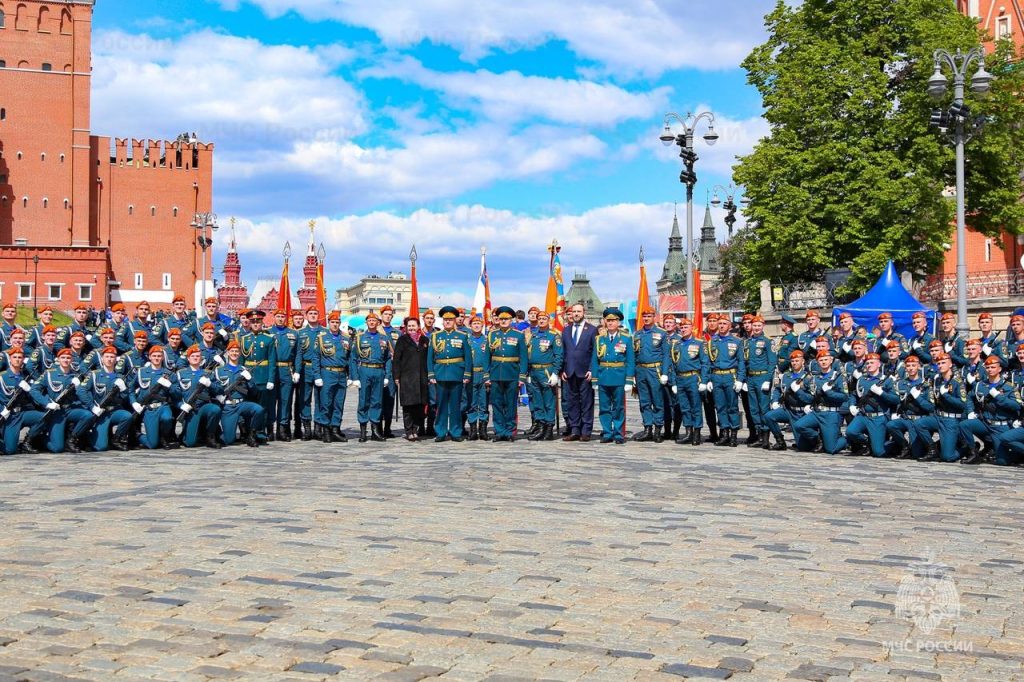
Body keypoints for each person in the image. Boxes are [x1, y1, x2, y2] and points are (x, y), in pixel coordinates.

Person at [959, 354, 1020, 465]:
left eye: (993, 367)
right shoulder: (980, 385)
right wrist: (971, 411)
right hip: (985, 423)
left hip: (1001, 427)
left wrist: (999, 397)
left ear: (999, 369)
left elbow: (1016, 405)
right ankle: (973, 453)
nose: (990, 369)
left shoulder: (1009, 387)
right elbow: (969, 397)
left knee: (1002, 461)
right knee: (965, 424)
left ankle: (995, 449)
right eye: (988, 367)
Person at [70, 345, 133, 452]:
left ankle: (116, 439)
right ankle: (86, 437)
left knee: (127, 416)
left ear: (115, 360)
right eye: (107, 357)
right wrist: (92, 406)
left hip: (113, 411)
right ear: (102, 359)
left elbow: (124, 397)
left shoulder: (120, 377)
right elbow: (81, 391)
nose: (109, 359)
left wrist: (123, 390)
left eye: (112, 357)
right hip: (99, 412)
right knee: (101, 447)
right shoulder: (94, 374)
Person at [427, 306, 472, 442]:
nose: (448, 322)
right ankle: (440, 431)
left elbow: (468, 357)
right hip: (440, 374)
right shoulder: (435, 336)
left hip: (456, 373)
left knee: (455, 405)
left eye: (450, 319)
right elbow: (430, 357)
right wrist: (431, 374)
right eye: (445, 319)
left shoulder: (462, 336)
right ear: (442, 321)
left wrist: (467, 374)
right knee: (440, 405)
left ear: (454, 321)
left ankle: (455, 431)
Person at [591, 307, 634, 444]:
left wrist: (629, 380)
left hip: (619, 376)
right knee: (604, 407)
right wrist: (595, 379)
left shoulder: (626, 339)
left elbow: (630, 360)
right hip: (604, 376)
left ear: (618, 322)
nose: (610, 323)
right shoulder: (599, 339)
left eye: (613, 320)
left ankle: (618, 433)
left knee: (618, 407)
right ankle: (607, 432)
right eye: (608, 320)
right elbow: (595, 360)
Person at [487, 306, 528, 442]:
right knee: (497, 404)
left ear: (511, 320)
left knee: (511, 404)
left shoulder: (518, 335)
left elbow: (523, 357)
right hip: (496, 374)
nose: (503, 321)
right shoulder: (492, 334)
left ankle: (510, 431)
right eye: (501, 319)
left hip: (512, 374)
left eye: (506, 319)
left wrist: (522, 376)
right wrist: (487, 375)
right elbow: (488, 356)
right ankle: (499, 431)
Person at [351, 310, 393, 443]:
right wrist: (355, 378)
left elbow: (387, 358)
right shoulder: (359, 338)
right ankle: (363, 430)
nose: (372, 323)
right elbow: (353, 358)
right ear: (367, 322)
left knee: (377, 401)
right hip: (364, 370)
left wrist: (387, 375)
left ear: (378, 323)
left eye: (374, 321)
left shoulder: (384, 338)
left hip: (378, 371)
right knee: (363, 401)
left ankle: (375, 429)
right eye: (369, 321)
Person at [917, 352, 967, 463]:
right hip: (938, 416)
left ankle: (965, 449)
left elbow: (962, 404)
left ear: (950, 364)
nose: (940, 365)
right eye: (938, 363)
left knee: (947, 457)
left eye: (943, 363)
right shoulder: (937, 380)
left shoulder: (957, 382)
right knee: (919, 423)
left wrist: (946, 395)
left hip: (951, 420)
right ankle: (932, 449)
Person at [846, 352, 898, 457]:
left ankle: (896, 444)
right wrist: (852, 404)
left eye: (872, 362)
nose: (869, 365)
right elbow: (854, 394)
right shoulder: (862, 380)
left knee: (879, 452)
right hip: (863, 415)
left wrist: (881, 393)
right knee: (850, 432)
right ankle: (868, 442)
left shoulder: (886, 380)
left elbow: (896, 399)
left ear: (879, 364)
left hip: (878, 417)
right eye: (867, 363)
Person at [214, 340, 265, 447]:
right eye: (232, 351)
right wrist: (217, 396)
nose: (234, 353)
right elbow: (213, 387)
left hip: (242, 404)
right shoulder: (219, 370)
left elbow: (254, 391)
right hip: (228, 406)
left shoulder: (244, 369)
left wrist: (249, 379)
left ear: (240, 353)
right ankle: (215, 433)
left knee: (259, 409)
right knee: (228, 440)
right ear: (227, 352)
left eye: (236, 351)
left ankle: (251, 435)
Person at [311, 311, 352, 443]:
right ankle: (326, 430)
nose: (335, 325)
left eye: (337, 322)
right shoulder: (321, 338)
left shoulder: (345, 338)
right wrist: (317, 375)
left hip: (341, 374)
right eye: (333, 322)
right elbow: (316, 357)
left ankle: (335, 429)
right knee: (326, 403)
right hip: (327, 373)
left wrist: (351, 375)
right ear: (329, 323)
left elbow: (350, 359)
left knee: (338, 403)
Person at [666, 317, 709, 445]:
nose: (684, 329)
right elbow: (673, 365)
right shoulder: (676, 344)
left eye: (686, 327)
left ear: (692, 328)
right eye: (682, 328)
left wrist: (704, 381)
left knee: (695, 406)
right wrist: (673, 382)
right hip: (680, 379)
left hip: (693, 378)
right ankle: (688, 432)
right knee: (684, 407)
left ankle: (696, 433)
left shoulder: (700, 343)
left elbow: (705, 364)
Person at [560, 303, 598, 442]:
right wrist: (562, 370)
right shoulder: (566, 330)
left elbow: (595, 352)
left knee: (587, 402)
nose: (576, 314)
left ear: (584, 313)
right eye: (574, 311)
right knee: (572, 402)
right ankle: (575, 429)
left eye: (579, 311)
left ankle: (586, 431)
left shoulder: (592, 330)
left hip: (585, 372)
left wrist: (592, 369)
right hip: (569, 371)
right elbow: (563, 352)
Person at [127, 346, 177, 450]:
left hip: (163, 406)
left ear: (163, 357)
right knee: (152, 444)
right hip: (148, 408)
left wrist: (170, 386)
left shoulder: (168, 373)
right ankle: (137, 434)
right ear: (149, 357)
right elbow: (130, 388)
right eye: (154, 356)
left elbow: (177, 392)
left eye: (159, 356)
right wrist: (134, 402)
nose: (157, 358)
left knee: (167, 418)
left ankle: (164, 438)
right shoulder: (141, 372)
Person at [885, 355, 934, 459]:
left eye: (913, 365)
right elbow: (897, 400)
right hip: (906, 419)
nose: (911, 368)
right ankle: (904, 446)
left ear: (919, 367)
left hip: (919, 420)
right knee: (890, 425)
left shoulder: (925, 385)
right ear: (905, 368)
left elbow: (930, 407)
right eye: (908, 366)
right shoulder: (900, 384)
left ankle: (933, 446)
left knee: (916, 454)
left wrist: (918, 398)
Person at [173, 345, 222, 449]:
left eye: (198, 356)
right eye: (193, 356)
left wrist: (210, 384)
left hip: (204, 406)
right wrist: (181, 405)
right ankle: (188, 434)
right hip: (190, 409)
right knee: (190, 443)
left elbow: (220, 389)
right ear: (188, 358)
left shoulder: (208, 373)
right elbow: (174, 394)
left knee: (215, 409)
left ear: (201, 359)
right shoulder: (180, 374)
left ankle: (210, 436)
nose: (195, 358)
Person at [763, 349, 813, 451]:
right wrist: (775, 401)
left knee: (803, 447)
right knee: (769, 416)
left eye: (797, 361)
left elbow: (811, 397)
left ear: (803, 361)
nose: (794, 363)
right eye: (793, 361)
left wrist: (799, 391)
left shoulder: (808, 377)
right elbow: (777, 389)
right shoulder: (786, 376)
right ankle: (780, 441)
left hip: (801, 412)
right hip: (789, 410)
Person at [526, 310, 563, 441]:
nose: (541, 320)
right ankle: (540, 427)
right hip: (534, 372)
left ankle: (549, 429)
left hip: (546, 372)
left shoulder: (554, 336)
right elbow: (528, 354)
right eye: (539, 318)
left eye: (544, 318)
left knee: (549, 401)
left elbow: (558, 356)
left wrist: (555, 373)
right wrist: (527, 372)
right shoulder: (534, 335)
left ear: (549, 320)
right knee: (537, 401)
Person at [708, 314, 745, 447]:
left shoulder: (737, 341)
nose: (722, 326)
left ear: (729, 326)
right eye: (720, 323)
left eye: (724, 323)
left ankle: (734, 433)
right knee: (720, 406)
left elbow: (741, 362)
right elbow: (708, 362)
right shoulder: (712, 341)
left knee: (732, 406)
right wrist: (708, 379)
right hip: (716, 376)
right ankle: (724, 433)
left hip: (730, 376)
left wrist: (740, 379)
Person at [631, 307, 667, 442]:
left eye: (649, 316)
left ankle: (658, 429)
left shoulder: (661, 334)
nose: (646, 318)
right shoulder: (638, 334)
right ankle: (647, 429)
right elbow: (634, 355)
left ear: (654, 317)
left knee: (657, 401)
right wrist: (633, 374)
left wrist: (664, 373)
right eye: (644, 316)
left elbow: (666, 355)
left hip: (655, 370)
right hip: (641, 370)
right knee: (644, 402)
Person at [0, 347, 44, 455]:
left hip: (22, 413)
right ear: (10, 359)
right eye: (14, 357)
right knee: (10, 450)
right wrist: (1, 410)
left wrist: (29, 389)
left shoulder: (26, 377)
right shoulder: (2, 377)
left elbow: (35, 396)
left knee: (44, 417)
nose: (17, 359)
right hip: (8, 415)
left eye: (20, 357)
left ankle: (27, 442)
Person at [241, 310, 276, 443]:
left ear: (262, 323)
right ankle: (249, 431)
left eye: (258, 322)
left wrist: (271, 379)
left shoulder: (268, 339)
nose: (256, 324)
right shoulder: (244, 339)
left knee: (262, 407)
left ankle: (260, 432)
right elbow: (241, 360)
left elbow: (272, 361)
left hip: (263, 377)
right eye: (253, 322)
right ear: (249, 323)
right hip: (249, 377)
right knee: (249, 405)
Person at [743, 315, 777, 448]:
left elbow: (772, 362)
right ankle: (758, 435)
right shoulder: (747, 342)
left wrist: (768, 379)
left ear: (763, 326)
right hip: (751, 378)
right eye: (754, 325)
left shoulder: (768, 341)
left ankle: (766, 438)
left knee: (763, 408)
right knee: (753, 409)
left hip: (762, 377)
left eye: (759, 325)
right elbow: (745, 362)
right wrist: (744, 379)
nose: (756, 328)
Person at [394, 315, 429, 441]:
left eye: (414, 325)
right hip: (407, 378)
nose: (411, 328)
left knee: (420, 406)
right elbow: (397, 359)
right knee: (408, 406)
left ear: (418, 326)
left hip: (422, 378)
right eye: (409, 326)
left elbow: (428, 359)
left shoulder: (425, 340)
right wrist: (396, 376)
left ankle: (416, 429)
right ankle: (409, 430)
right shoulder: (402, 340)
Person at [268, 308, 300, 442]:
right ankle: (269, 429)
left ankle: (282, 428)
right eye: (278, 316)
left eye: (283, 316)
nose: (281, 318)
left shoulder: (293, 334)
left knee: (285, 401)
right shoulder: (268, 333)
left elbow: (298, 353)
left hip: (287, 370)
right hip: (273, 370)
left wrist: (297, 371)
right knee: (270, 401)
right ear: (274, 317)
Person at [295, 306, 322, 440]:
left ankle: (318, 428)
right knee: (304, 399)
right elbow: (298, 354)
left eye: (315, 313)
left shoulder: (324, 332)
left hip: (320, 370)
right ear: (306, 315)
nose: (313, 315)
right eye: (310, 313)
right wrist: (297, 371)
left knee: (320, 399)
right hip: (305, 368)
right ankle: (306, 428)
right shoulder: (300, 333)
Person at [465, 315, 491, 440]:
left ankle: (483, 428)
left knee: (484, 402)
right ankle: (473, 429)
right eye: (474, 323)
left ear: (482, 326)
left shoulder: (487, 340)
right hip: (471, 374)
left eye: (478, 323)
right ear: (470, 326)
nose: (476, 325)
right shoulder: (467, 340)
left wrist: (488, 375)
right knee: (472, 402)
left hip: (483, 374)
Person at [660, 314, 683, 440]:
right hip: (662, 375)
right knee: (664, 404)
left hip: (675, 375)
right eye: (666, 322)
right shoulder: (660, 337)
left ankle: (676, 431)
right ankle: (667, 430)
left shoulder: (679, 339)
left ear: (675, 325)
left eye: (670, 322)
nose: (668, 324)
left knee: (677, 404)